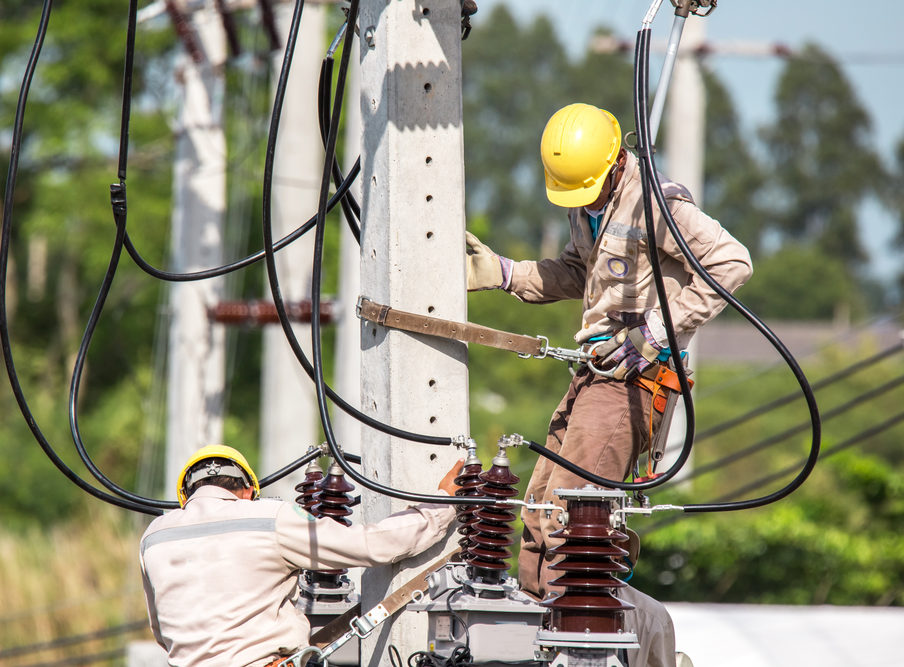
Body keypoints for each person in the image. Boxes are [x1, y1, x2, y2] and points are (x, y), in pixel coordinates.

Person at [464, 102, 753, 598]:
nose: (587, 202)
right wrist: (509, 274)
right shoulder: (586, 205)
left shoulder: (656, 204)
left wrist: (658, 331)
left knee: (572, 513)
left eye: (593, 190)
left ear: (617, 162)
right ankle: (531, 624)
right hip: (595, 373)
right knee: (538, 508)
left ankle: (571, 631)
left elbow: (732, 263)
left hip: (634, 382)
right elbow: (581, 272)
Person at [139, 444, 462, 667]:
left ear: (186, 495)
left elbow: (160, 632)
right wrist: (443, 503)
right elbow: (373, 544)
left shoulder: (154, 536)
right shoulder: (267, 517)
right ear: (248, 490)